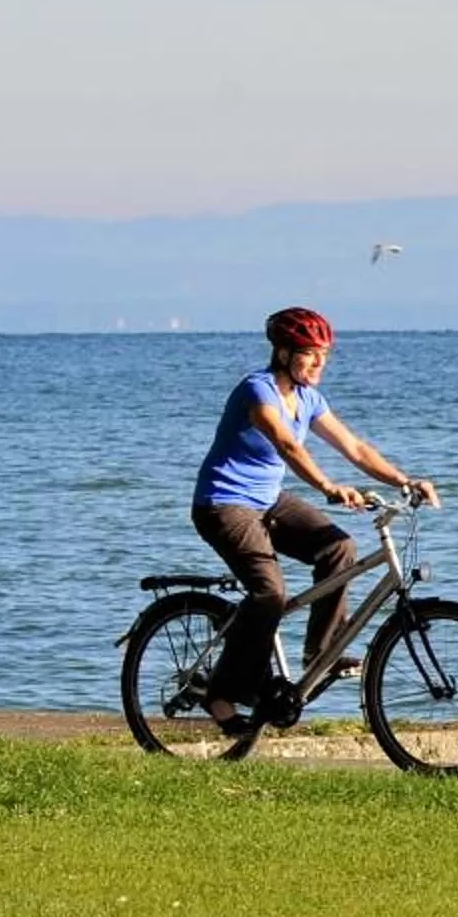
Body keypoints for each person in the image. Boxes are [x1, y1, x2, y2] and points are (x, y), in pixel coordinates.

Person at [190, 307, 439, 730]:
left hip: (268, 501)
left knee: (339, 547)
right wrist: (328, 487)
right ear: (284, 353)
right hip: (223, 504)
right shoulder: (257, 391)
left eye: (325, 355)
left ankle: (321, 652)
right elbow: (287, 445)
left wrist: (405, 480)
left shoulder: (308, 399)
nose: (320, 363)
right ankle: (220, 694)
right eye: (310, 354)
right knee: (270, 593)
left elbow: (354, 448)